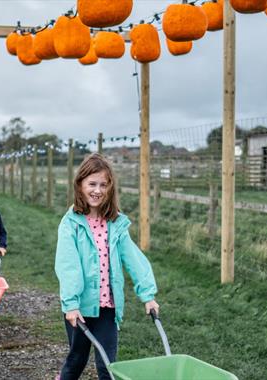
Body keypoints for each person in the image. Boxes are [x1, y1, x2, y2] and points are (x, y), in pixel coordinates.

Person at [55, 153, 159, 380]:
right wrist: (71, 303)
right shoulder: (71, 223)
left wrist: (148, 294)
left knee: (108, 366)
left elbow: (133, 258)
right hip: (80, 307)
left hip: (108, 308)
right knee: (76, 360)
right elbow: (68, 265)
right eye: (92, 184)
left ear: (110, 188)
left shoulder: (115, 223)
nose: (97, 190)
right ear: (80, 185)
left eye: (103, 185)